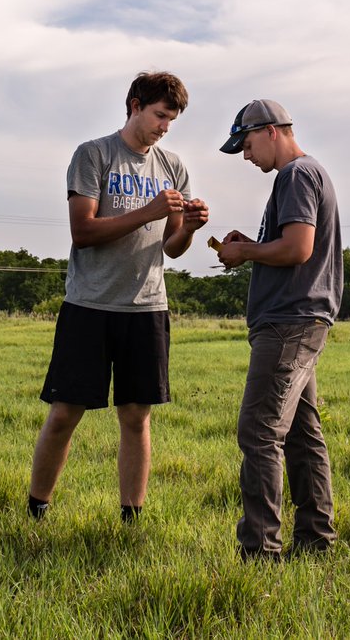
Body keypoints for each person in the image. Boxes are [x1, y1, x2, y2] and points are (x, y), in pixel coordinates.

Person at [28, 71, 209, 523]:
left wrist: (188, 227)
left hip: (147, 307)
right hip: (89, 306)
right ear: (134, 105)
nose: (164, 126)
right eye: (160, 115)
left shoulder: (173, 167)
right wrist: (148, 211)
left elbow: (171, 248)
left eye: (172, 120)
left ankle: (132, 517)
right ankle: (37, 508)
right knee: (66, 411)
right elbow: (82, 231)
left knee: (136, 416)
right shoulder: (94, 155)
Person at [215, 99, 343, 560]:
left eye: (246, 145)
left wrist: (248, 254)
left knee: (259, 431)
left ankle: (260, 554)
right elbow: (287, 245)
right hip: (299, 318)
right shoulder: (306, 175)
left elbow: (298, 248)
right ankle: (315, 542)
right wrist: (250, 245)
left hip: (290, 321)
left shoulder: (296, 175)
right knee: (302, 434)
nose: (246, 156)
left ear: (270, 131)